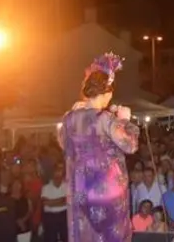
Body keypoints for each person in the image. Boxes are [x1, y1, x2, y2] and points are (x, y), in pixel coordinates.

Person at [59, 53, 140, 242]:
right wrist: (125, 120)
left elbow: (64, 144)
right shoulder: (105, 119)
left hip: (81, 190)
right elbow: (130, 145)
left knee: (88, 236)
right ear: (106, 93)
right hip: (106, 191)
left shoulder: (69, 118)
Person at [41, 165, 68, 242]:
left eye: (59, 176)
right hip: (50, 217)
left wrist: (51, 203)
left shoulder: (67, 186)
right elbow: (45, 202)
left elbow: (67, 201)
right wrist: (61, 200)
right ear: (52, 176)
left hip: (63, 215)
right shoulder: (46, 187)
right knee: (50, 238)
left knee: (65, 238)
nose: (58, 178)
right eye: (56, 176)